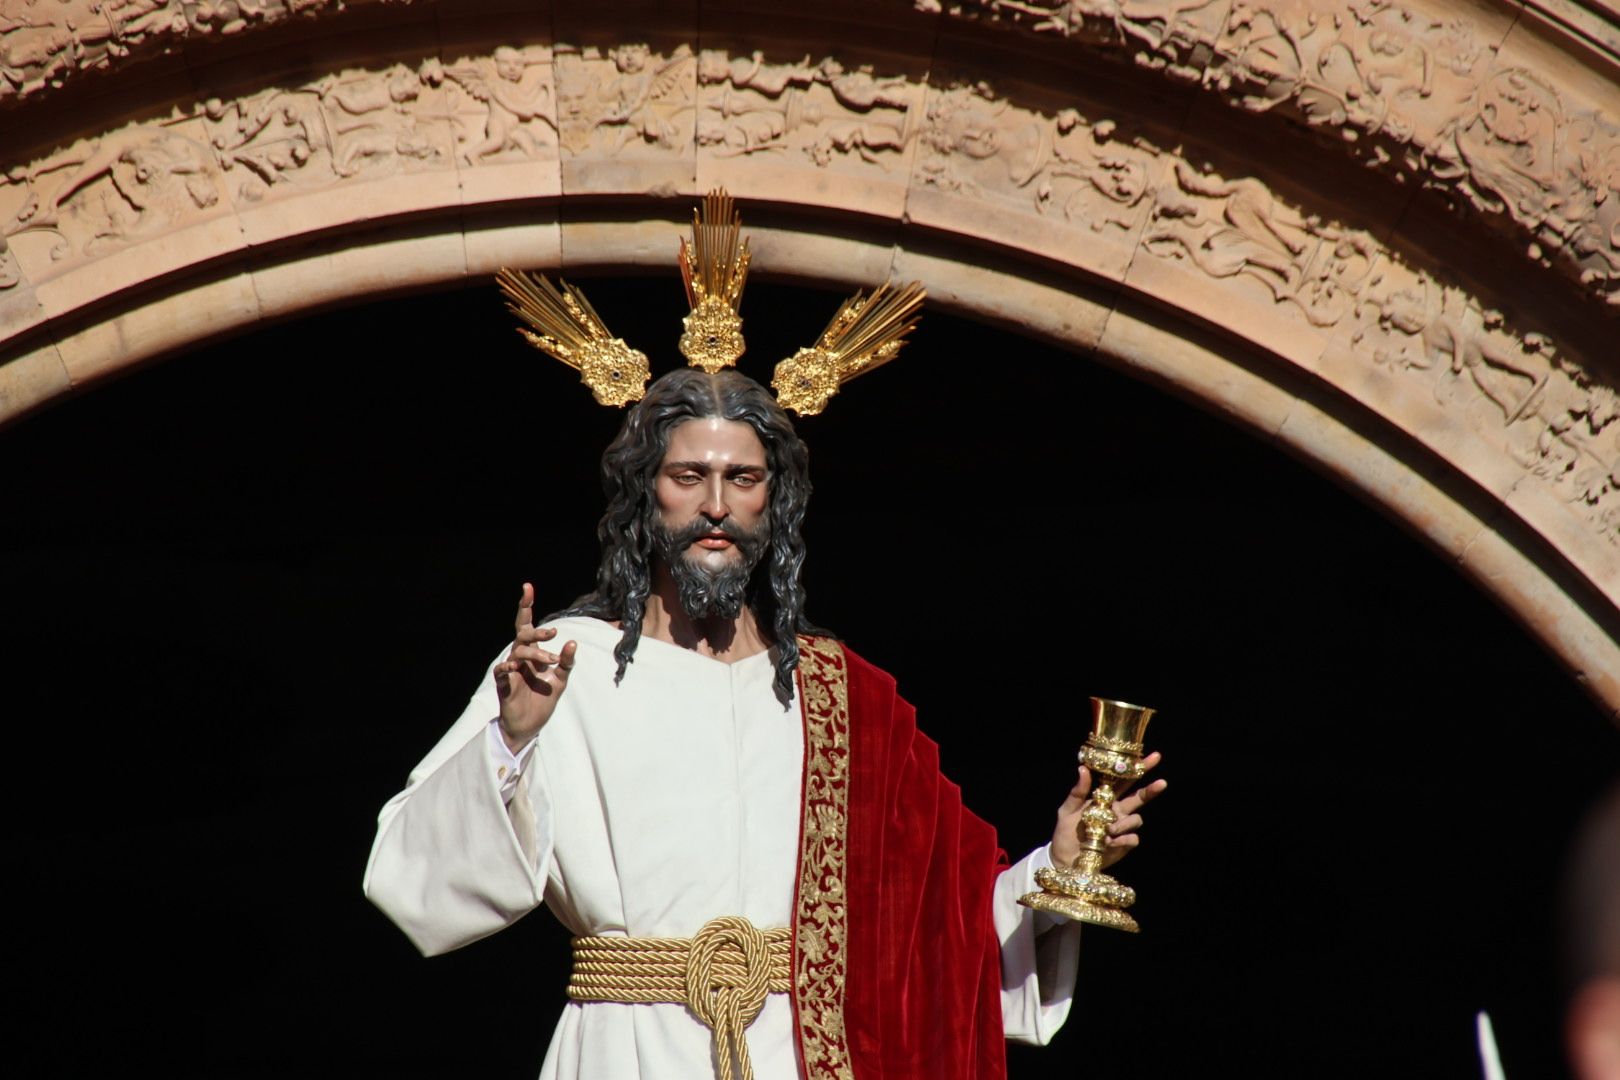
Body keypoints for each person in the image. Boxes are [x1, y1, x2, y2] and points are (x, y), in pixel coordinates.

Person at [363, 366, 1164, 1080]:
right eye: (689, 474)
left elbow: (931, 921)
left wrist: (1055, 872)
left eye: (742, 478)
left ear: (772, 500)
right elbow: (410, 878)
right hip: (625, 1047)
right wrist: (513, 739)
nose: (716, 503)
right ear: (649, 493)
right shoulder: (562, 663)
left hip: (801, 1051)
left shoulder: (836, 689)